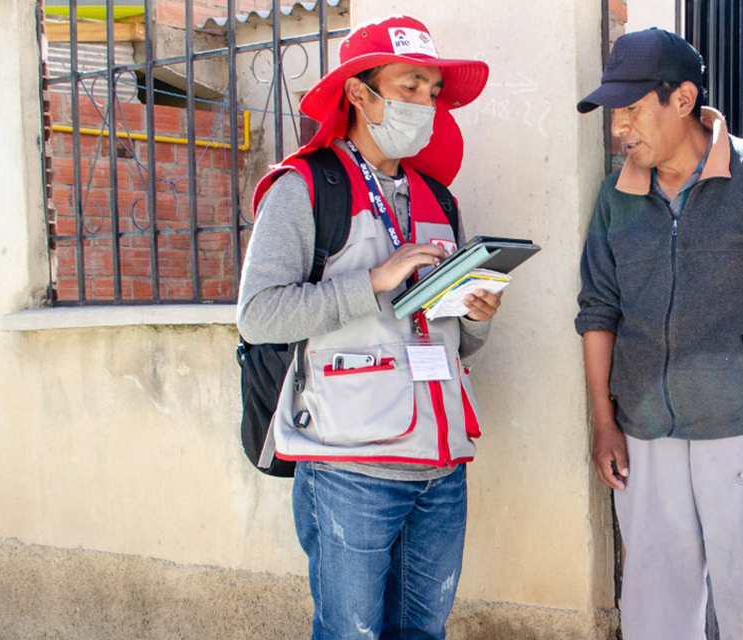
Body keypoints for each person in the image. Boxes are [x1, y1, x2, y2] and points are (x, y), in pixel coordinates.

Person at [237, 15, 499, 640]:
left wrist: (475, 316)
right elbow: (259, 314)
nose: (425, 104)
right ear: (359, 92)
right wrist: (373, 282)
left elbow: (446, 336)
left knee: (423, 633)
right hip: (349, 468)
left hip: (441, 466)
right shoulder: (306, 188)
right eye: (410, 86)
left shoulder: (439, 198)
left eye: (433, 92)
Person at [574, 28, 743, 639]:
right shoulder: (617, 197)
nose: (620, 129)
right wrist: (604, 421)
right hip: (645, 429)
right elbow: (598, 310)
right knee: (654, 609)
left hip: (742, 428)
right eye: (615, 115)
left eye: (633, 109)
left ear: (684, 99)